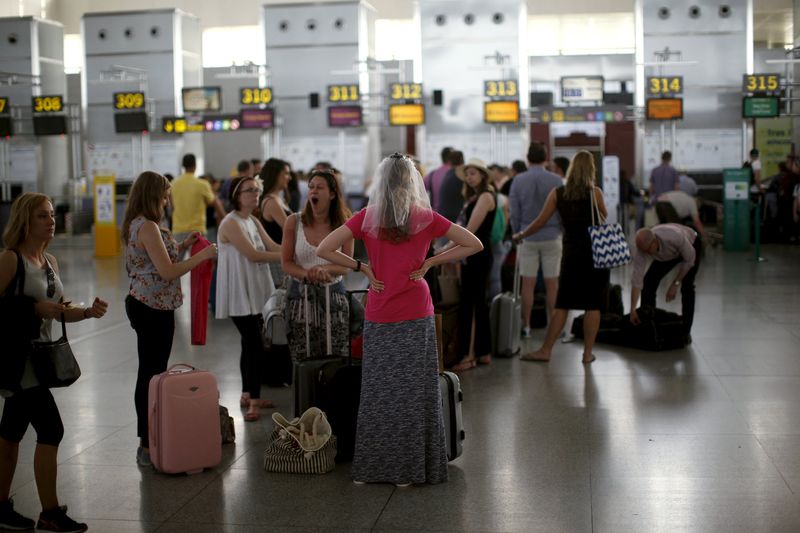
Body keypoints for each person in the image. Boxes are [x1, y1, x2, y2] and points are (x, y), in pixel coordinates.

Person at [316, 153, 482, 486]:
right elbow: (473, 244)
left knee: (378, 391)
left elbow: (324, 248)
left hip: (379, 311)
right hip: (416, 312)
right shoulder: (424, 217)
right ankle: (411, 468)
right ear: (411, 183)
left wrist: (361, 267)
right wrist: (433, 261)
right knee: (413, 392)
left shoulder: (368, 217)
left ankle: (376, 467)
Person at [0, 193, 108, 533]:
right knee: (52, 429)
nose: (51, 221)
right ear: (25, 221)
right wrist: (31, 309)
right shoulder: (10, 260)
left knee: (10, 435)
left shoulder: (50, 262)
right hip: (18, 360)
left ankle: (0, 507)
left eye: (51, 215)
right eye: (43, 216)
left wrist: (88, 312)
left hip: (41, 358)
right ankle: (50, 513)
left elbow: (59, 310)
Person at [122, 171, 218, 467]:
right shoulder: (148, 226)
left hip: (149, 303)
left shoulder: (139, 224)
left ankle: (150, 436)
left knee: (151, 372)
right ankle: (145, 442)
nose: (167, 202)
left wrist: (186, 245)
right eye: (164, 196)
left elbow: (160, 259)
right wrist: (202, 257)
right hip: (151, 307)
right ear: (152, 196)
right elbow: (167, 271)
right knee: (150, 374)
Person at [513, 151, 610, 364]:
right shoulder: (595, 193)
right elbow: (604, 216)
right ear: (591, 170)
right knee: (593, 305)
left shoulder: (558, 193)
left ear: (571, 169)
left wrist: (521, 235)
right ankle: (587, 354)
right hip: (596, 254)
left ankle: (546, 350)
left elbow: (540, 222)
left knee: (563, 304)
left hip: (572, 254)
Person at [215, 175, 282, 421]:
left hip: (253, 291)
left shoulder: (252, 220)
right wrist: (288, 260)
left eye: (256, 190)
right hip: (238, 294)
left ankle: (246, 393)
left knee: (248, 343)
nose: (255, 194)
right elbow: (254, 255)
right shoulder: (231, 223)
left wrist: (296, 248)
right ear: (236, 195)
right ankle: (253, 400)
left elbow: (272, 246)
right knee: (255, 345)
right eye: (248, 191)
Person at [282, 169, 353, 360]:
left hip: (334, 297)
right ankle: (306, 391)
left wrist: (325, 269)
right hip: (300, 298)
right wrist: (308, 274)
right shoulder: (294, 222)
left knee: (336, 355)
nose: (313, 191)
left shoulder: (345, 225)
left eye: (319, 187)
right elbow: (286, 263)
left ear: (331, 194)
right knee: (303, 356)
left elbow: (347, 265)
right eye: (311, 187)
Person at [509, 142, 563, 338]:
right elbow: (563, 209)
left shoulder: (518, 180)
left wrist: (517, 233)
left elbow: (514, 212)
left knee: (528, 284)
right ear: (545, 158)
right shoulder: (557, 180)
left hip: (527, 236)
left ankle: (527, 326)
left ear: (528, 158)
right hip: (552, 236)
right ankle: (554, 327)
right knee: (552, 284)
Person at [447, 158, 496, 370]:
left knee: (471, 304)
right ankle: (483, 351)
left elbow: (469, 230)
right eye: (467, 174)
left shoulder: (485, 197)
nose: (469, 177)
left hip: (477, 255)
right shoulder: (475, 197)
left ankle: (469, 355)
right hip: (474, 255)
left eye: (473, 173)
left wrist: (445, 249)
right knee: (477, 302)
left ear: (483, 176)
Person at [629, 224, 701, 342]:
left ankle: (685, 330)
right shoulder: (644, 248)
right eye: (642, 251)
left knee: (687, 286)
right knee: (648, 282)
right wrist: (633, 309)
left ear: (654, 242)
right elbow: (637, 280)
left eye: (647, 251)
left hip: (691, 245)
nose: (645, 254)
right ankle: (648, 323)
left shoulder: (674, 237)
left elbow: (689, 261)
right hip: (668, 253)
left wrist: (675, 284)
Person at [170, 154, 225, 244]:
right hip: (197, 230)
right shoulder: (202, 184)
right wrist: (226, 218)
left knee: (177, 257)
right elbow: (215, 202)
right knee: (199, 257)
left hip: (178, 229)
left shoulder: (174, 184)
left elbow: (172, 205)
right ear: (195, 165)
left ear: (183, 166)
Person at [260, 158, 293, 284]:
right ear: (275, 175)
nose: (289, 177)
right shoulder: (271, 202)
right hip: (278, 259)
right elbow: (291, 228)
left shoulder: (278, 199)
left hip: (282, 256)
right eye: (285, 173)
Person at [436, 150, 466, 223]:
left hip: (443, 215)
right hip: (454, 218)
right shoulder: (460, 174)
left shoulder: (448, 173)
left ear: (450, 161)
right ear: (462, 160)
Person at [423, 147, 453, 212]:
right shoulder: (457, 175)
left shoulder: (432, 175)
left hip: (436, 216)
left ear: (442, 158)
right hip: (455, 217)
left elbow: (418, 191)